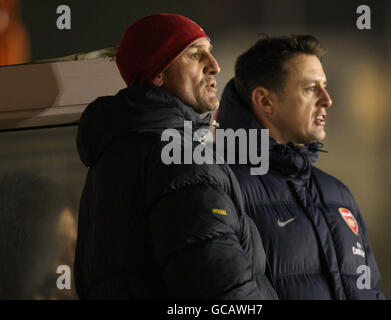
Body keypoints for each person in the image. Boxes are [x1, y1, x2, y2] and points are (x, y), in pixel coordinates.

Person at [74, 14, 277, 300]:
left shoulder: (113, 155)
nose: (215, 66)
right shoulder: (178, 156)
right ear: (158, 74)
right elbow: (221, 286)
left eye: (210, 50)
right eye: (195, 54)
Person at [217, 35, 385, 299]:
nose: (327, 99)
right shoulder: (224, 188)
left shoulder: (338, 195)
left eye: (325, 86)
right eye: (310, 88)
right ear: (264, 101)